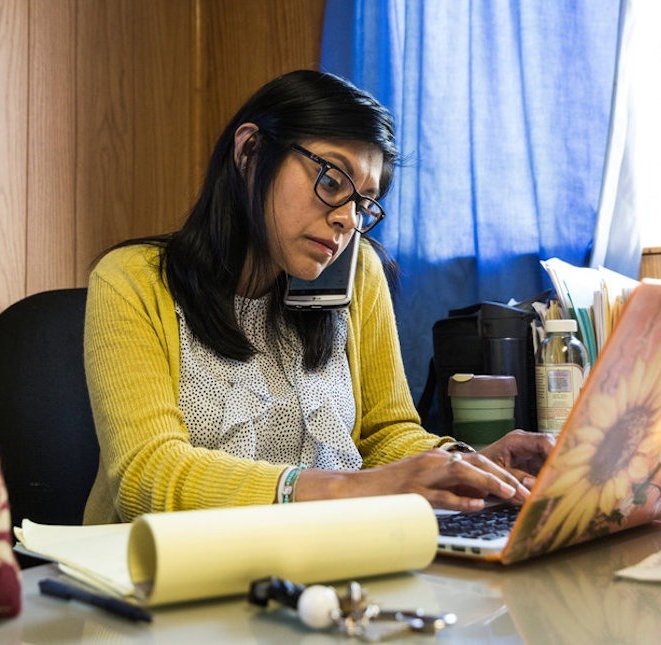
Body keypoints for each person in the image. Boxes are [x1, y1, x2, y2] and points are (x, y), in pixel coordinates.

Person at [82, 69, 552, 524]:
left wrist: (466, 465)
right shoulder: (132, 281)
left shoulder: (358, 273)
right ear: (249, 152)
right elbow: (145, 476)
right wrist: (353, 488)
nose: (348, 220)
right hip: (155, 575)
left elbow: (384, 435)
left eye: (363, 203)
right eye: (331, 182)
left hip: (316, 559)